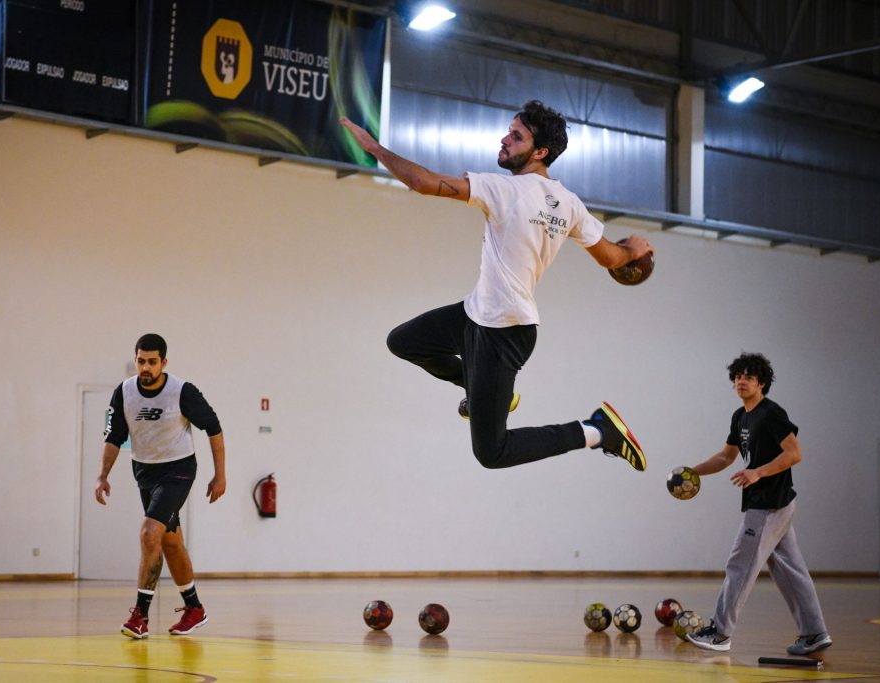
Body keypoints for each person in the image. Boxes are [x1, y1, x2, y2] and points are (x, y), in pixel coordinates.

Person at [340, 101, 650, 472]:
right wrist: (632, 248)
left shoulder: (504, 189)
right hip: (476, 315)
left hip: (505, 331)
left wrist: (374, 149)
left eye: (516, 136)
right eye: (509, 130)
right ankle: (479, 388)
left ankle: (596, 430)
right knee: (403, 342)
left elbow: (422, 182)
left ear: (540, 152)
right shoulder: (569, 204)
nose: (505, 139)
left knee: (493, 452)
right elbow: (612, 260)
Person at [686, 352, 831, 655]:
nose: (742, 381)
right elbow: (725, 457)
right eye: (738, 376)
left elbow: (794, 453)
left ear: (762, 383)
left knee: (740, 564)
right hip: (771, 503)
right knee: (790, 570)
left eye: (749, 377)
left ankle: (721, 632)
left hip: (769, 504)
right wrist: (692, 472)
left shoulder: (771, 413)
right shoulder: (741, 416)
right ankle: (815, 632)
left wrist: (757, 473)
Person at [96, 333, 226, 639]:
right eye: (141, 361)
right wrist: (102, 476)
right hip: (145, 472)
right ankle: (194, 608)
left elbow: (214, 427)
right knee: (169, 541)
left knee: (149, 532)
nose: (146, 367)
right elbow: (114, 438)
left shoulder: (182, 391)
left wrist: (220, 475)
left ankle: (140, 616)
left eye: (152, 362)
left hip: (179, 470)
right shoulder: (124, 392)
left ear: (163, 363)